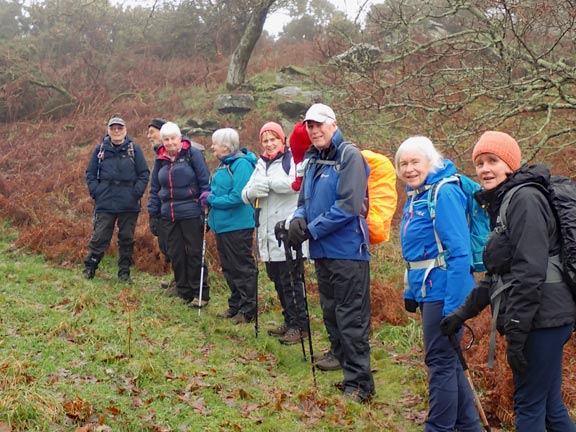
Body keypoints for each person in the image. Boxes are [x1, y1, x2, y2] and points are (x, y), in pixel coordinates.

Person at [440, 131, 576, 432]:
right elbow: (499, 274)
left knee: (528, 406)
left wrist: (517, 330)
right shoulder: (506, 201)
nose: (485, 169)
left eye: (493, 161)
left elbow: (530, 272)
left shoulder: (524, 200)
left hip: (543, 319)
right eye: (479, 163)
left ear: (510, 164)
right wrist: (463, 313)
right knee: (550, 406)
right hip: (547, 317)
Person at [288, 103, 374, 403]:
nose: (314, 131)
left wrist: (311, 229)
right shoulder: (312, 161)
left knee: (351, 318)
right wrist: (297, 219)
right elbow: (304, 201)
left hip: (349, 251)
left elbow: (349, 206)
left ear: (333, 124)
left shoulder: (349, 156)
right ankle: (343, 363)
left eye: (319, 125)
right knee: (331, 313)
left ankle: (361, 385)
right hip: (322, 251)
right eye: (310, 126)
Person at [395, 136, 481, 431]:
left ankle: (438, 427)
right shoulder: (418, 195)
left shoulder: (444, 193)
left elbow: (459, 253)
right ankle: (468, 427)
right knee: (450, 362)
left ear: (431, 161)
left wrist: (455, 308)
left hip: (443, 291)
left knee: (440, 362)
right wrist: (409, 290)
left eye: (415, 162)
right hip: (427, 290)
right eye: (403, 164)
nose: (409, 169)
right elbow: (418, 252)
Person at [241, 121, 309, 344]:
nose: (269, 144)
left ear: (283, 140)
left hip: (287, 232)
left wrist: (268, 183)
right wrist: (253, 190)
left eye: (274, 139)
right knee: (278, 280)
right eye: (265, 140)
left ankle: (301, 326)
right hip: (267, 235)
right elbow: (246, 193)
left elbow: (295, 185)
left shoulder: (293, 160)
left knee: (292, 281)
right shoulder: (260, 163)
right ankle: (289, 321)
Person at [147, 122, 211, 306]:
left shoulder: (193, 154)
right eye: (166, 139)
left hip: (191, 212)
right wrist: (153, 213)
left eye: (173, 138)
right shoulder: (160, 159)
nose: (170, 143)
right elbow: (154, 189)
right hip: (168, 214)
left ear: (180, 138)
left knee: (194, 252)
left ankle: (200, 293)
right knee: (175, 253)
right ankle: (183, 291)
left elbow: (204, 183)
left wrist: (205, 210)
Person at [201, 128, 258, 324]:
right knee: (229, 268)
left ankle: (248, 309)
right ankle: (235, 306)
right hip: (223, 226)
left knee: (241, 267)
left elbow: (238, 197)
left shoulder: (242, 165)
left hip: (238, 225)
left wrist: (212, 199)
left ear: (225, 147)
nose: (212, 146)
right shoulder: (224, 165)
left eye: (214, 143)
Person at [84, 115, 150, 282]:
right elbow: (90, 173)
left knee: (127, 238)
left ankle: (124, 272)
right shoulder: (100, 150)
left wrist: (136, 192)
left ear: (125, 130)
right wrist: (96, 191)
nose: (116, 131)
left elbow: (144, 174)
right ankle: (90, 268)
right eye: (113, 128)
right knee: (100, 236)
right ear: (108, 131)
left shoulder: (134, 150)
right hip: (105, 200)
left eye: (119, 128)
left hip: (129, 202)